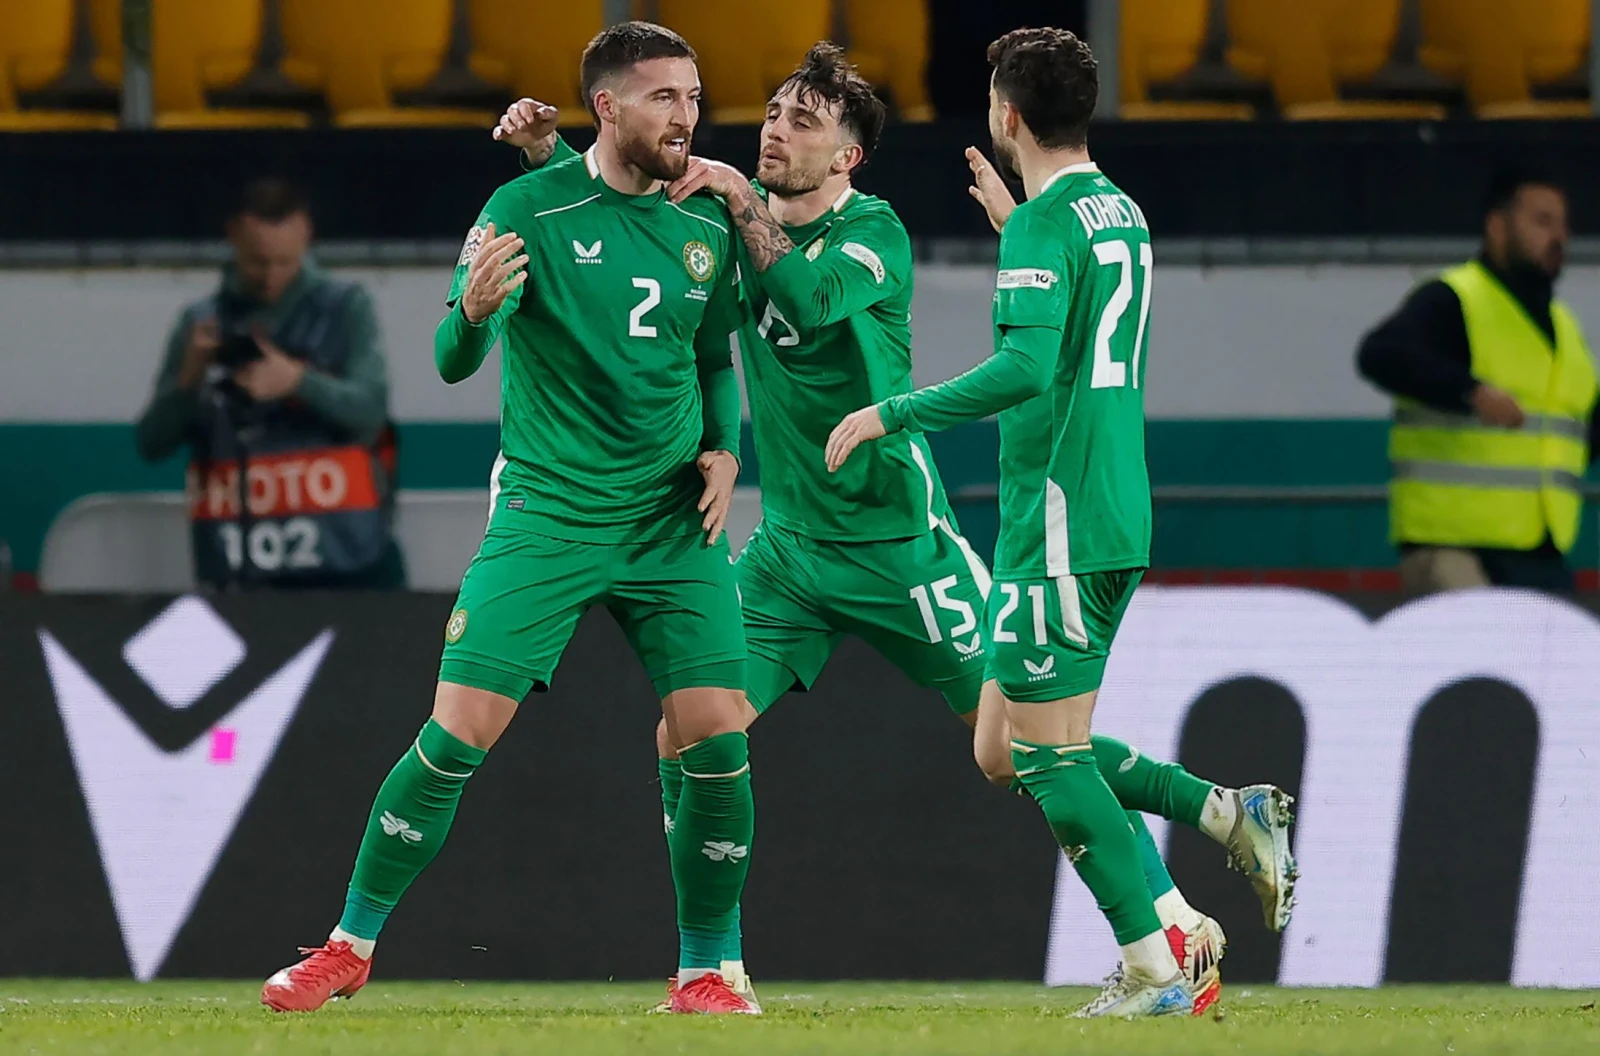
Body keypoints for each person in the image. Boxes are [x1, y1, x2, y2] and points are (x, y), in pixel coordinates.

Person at [499, 40, 1282, 1018]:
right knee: (685, 732)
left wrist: (741, 204)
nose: (775, 129)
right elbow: (618, 248)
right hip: (787, 556)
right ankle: (714, 969)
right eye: (775, 111)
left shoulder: (873, 235)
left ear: (847, 160)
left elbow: (811, 298)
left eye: (804, 121)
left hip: (903, 549)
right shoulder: (725, 226)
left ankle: (1176, 903)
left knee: (1018, 753)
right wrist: (544, 161)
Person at [260, 22, 757, 1016]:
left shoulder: (703, 221)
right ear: (606, 106)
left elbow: (712, 359)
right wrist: (476, 312)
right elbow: (450, 357)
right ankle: (348, 945)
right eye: (664, 97)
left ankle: (707, 970)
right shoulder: (524, 207)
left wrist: (725, 447)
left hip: (669, 522)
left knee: (716, 737)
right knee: (455, 736)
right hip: (552, 513)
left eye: (694, 98)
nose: (686, 117)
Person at [826, 28, 1297, 1018]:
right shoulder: (1114, 209)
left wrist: (889, 412)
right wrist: (1021, 228)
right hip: (1107, 503)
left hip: (1060, 518)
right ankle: (1222, 812)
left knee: (1045, 755)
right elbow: (1078, 330)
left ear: (1003, 114)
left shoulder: (1049, 226)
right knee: (1003, 747)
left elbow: (1028, 370)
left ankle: (1155, 968)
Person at [135, 179, 400, 589]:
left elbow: (369, 411)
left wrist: (297, 381)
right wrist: (189, 378)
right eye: (259, 262)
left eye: (285, 262)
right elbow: (150, 442)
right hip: (236, 564)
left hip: (346, 560)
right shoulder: (202, 322)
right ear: (234, 236)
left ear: (306, 234)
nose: (272, 277)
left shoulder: (346, 307)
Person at [1357, 167, 1597, 596]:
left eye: (1564, 225)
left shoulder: (1565, 329)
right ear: (1497, 227)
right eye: (1542, 222)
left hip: (1537, 551)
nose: (1559, 237)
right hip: (1454, 548)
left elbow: (1584, 432)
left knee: (1562, 657)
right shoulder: (1455, 298)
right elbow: (1381, 354)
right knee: (1479, 652)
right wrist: (1469, 392)